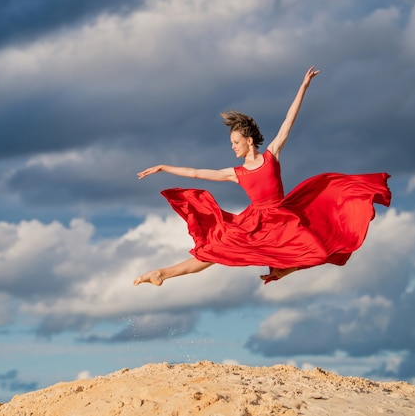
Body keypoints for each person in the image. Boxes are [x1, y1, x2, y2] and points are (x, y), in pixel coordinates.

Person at [133, 66, 391, 287]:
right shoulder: (236, 173)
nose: (232, 147)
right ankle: (161, 273)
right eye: (231, 143)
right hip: (254, 223)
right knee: (214, 252)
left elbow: (289, 120)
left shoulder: (271, 155)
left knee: (320, 250)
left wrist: (303, 87)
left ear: (248, 140)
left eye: (235, 142)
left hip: (283, 218)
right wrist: (163, 167)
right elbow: (196, 172)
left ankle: (283, 269)